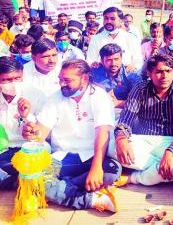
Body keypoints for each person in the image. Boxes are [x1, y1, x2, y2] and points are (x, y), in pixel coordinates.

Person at [22, 59, 121, 212]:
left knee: (113, 170)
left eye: (67, 80)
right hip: (62, 159)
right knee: (31, 175)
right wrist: (32, 132)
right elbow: (41, 132)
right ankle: (91, 199)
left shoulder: (100, 97)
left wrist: (96, 168)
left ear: (85, 79)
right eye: (60, 79)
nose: (62, 84)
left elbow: (103, 132)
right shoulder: (55, 98)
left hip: (92, 158)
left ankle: (56, 189)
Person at [113, 54, 173, 186]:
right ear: (149, 73)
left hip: (171, 141)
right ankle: (166, 171)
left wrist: (171, 151)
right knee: (112, 146)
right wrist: (121, 139)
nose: (164, 76)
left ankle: (134, 178)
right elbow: (126, 118)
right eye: (159, 71)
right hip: (142, 140)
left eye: (168, 71)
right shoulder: (140, 89)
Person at [0, 57, 46, 190]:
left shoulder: (36, 95)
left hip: (27, 149)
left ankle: (17, 179)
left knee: (36, 162)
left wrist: (26, 116)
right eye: (7, 80)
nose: (13, 83)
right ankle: (19, 180)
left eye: (17, 78)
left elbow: (40, 134)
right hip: (3, 150)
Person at [87, 7, 142, 72]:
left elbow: (138, 61)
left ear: (121, 21)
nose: (108, 21)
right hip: (102, 77)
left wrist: (134, 66)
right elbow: (90, 60)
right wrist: (93, 64)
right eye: (106, 18)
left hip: (126, 76)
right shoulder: (96, 39)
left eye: (112, 19)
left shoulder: (131, 38)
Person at [92, 44, 140, 111]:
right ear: (102, 61)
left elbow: (141, 102)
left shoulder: (131, 74)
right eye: (109, 60)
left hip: (125, 112)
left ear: (121, 59)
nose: (113, 63)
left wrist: (119, 103)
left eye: (116, 59)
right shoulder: (94, 73)